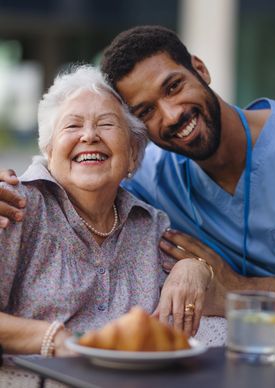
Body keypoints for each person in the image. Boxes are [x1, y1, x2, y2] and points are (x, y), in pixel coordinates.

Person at [1, 26, 275, 340]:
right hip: (228, 360)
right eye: (146, 111)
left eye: (173, 87)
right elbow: (78, 175)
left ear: (200, 70)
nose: (171, 116)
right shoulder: (148, 174)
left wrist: (238, 288)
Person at [0, 64, 222, 356]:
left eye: (106, 124)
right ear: (50, 149)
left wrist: (195, 267)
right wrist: (56, 340)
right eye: (73, 125)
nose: (89, 136)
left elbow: (190, 322)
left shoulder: (151, 225)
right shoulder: (13, 205)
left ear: (132, 155)